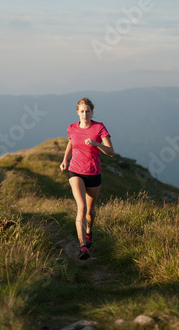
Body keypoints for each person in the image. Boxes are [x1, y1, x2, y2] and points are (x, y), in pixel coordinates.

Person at [60, 97, 114, 260]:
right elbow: (71, 143)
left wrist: (96, 144)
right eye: (82, 111)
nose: (85, 114)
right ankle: (83, 246)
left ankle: (89, 233)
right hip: (75, 171)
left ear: (92, 112)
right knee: (81, 207)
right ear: (77, 112)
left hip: (93, 173)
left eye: (88, 111)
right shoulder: (71, 128)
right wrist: (65, 159)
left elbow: (111, 152)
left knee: (90, 211)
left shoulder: (99, 128)